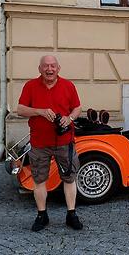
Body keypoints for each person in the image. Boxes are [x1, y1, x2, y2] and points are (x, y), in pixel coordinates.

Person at [17, 55, 83, 232]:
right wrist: (39, 111)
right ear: (40, 69)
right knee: (39, 180)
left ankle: (71, 214)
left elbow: (77, 108)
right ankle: (42, 215)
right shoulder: (30, 86)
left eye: (53, 66)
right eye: (45, 66)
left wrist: (69, 119)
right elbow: (20, 109)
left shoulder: (68, 85)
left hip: (64, 140)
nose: (49, 69)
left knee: (69, 178)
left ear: (58, 68)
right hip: (39, 142)